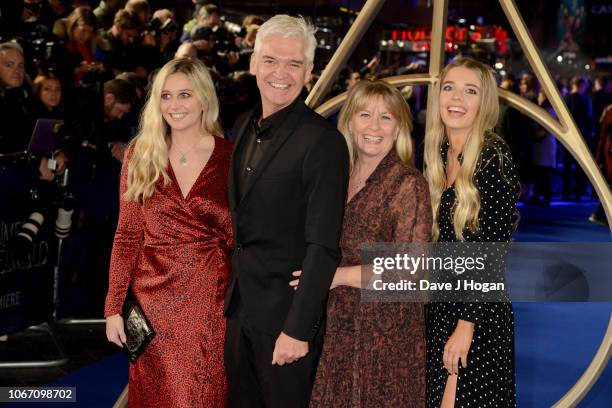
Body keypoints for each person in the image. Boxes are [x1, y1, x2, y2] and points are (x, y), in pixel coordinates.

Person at [224, 14, 349, 408]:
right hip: (239, 310)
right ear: (253, 63)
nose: (282, 73)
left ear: (310, 71)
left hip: (285, 321)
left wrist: (297, 329)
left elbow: (323, 245)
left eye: (294, 64)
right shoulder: (242, 124)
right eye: (271, 60)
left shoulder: (323, 141)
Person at [292, 80, 431, 407]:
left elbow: (413, 271)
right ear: (349, 122)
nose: (374, 126)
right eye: (364, 114)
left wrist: (336, 276)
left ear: (398, 128)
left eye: (386, 118)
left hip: (386, 335)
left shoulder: (407, 184)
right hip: (338, 326)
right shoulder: (337, 176)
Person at [105, 58, 232, 407]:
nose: (174, 106)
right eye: (166, 96)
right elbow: (127, 235)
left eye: (185, 95)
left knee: (200, 397)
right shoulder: (140, 155)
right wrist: (113, 306)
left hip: (211, 304)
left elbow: (243, 236)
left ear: (204, 99)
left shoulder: (231, 158)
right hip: (151, 306)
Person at [423, 57, 520, 407]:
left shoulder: (493, 156)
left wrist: (466, 326)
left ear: (484, 103)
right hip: (439, 307)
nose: (456, 99)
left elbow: (492, 255)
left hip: (476, 313)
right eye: (449, 88)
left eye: (470, 91)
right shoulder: (438, 152)